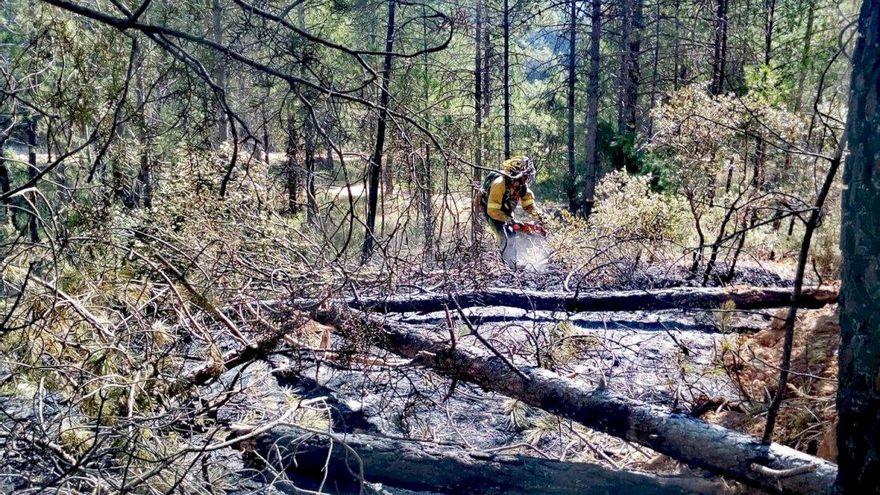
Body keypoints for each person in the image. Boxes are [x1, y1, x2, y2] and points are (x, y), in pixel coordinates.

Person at [479, 156, 544, 244]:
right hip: (491, 211)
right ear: (516, 174)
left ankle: (511, 252)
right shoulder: (499, 184)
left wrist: (540, 217)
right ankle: (502, 252)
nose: (527, 178)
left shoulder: (521, 186)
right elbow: (492, 211)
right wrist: (510, 221)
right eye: (526, 175)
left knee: (512, 235)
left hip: (506, 211)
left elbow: (529, 206)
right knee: (506, 237)